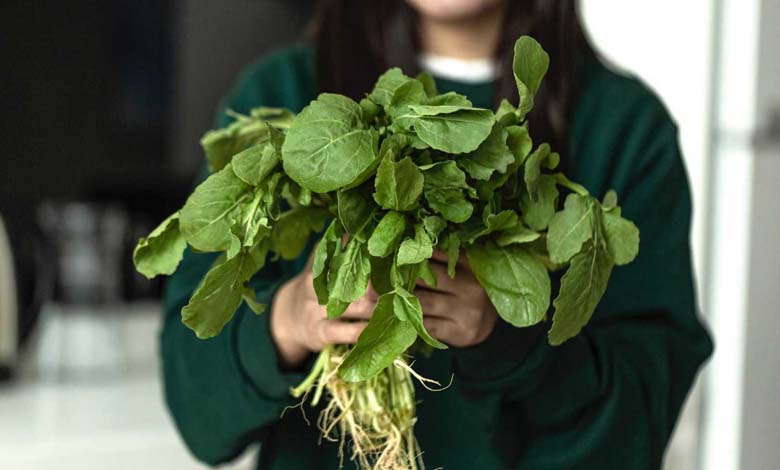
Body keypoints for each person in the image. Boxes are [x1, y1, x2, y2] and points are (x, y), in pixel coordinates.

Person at [161, 1, 713, 468]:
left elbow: (640, 427)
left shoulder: (626, 128)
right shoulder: (280, 91)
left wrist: (512, 344)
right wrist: (288, 321)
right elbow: (197, 412)